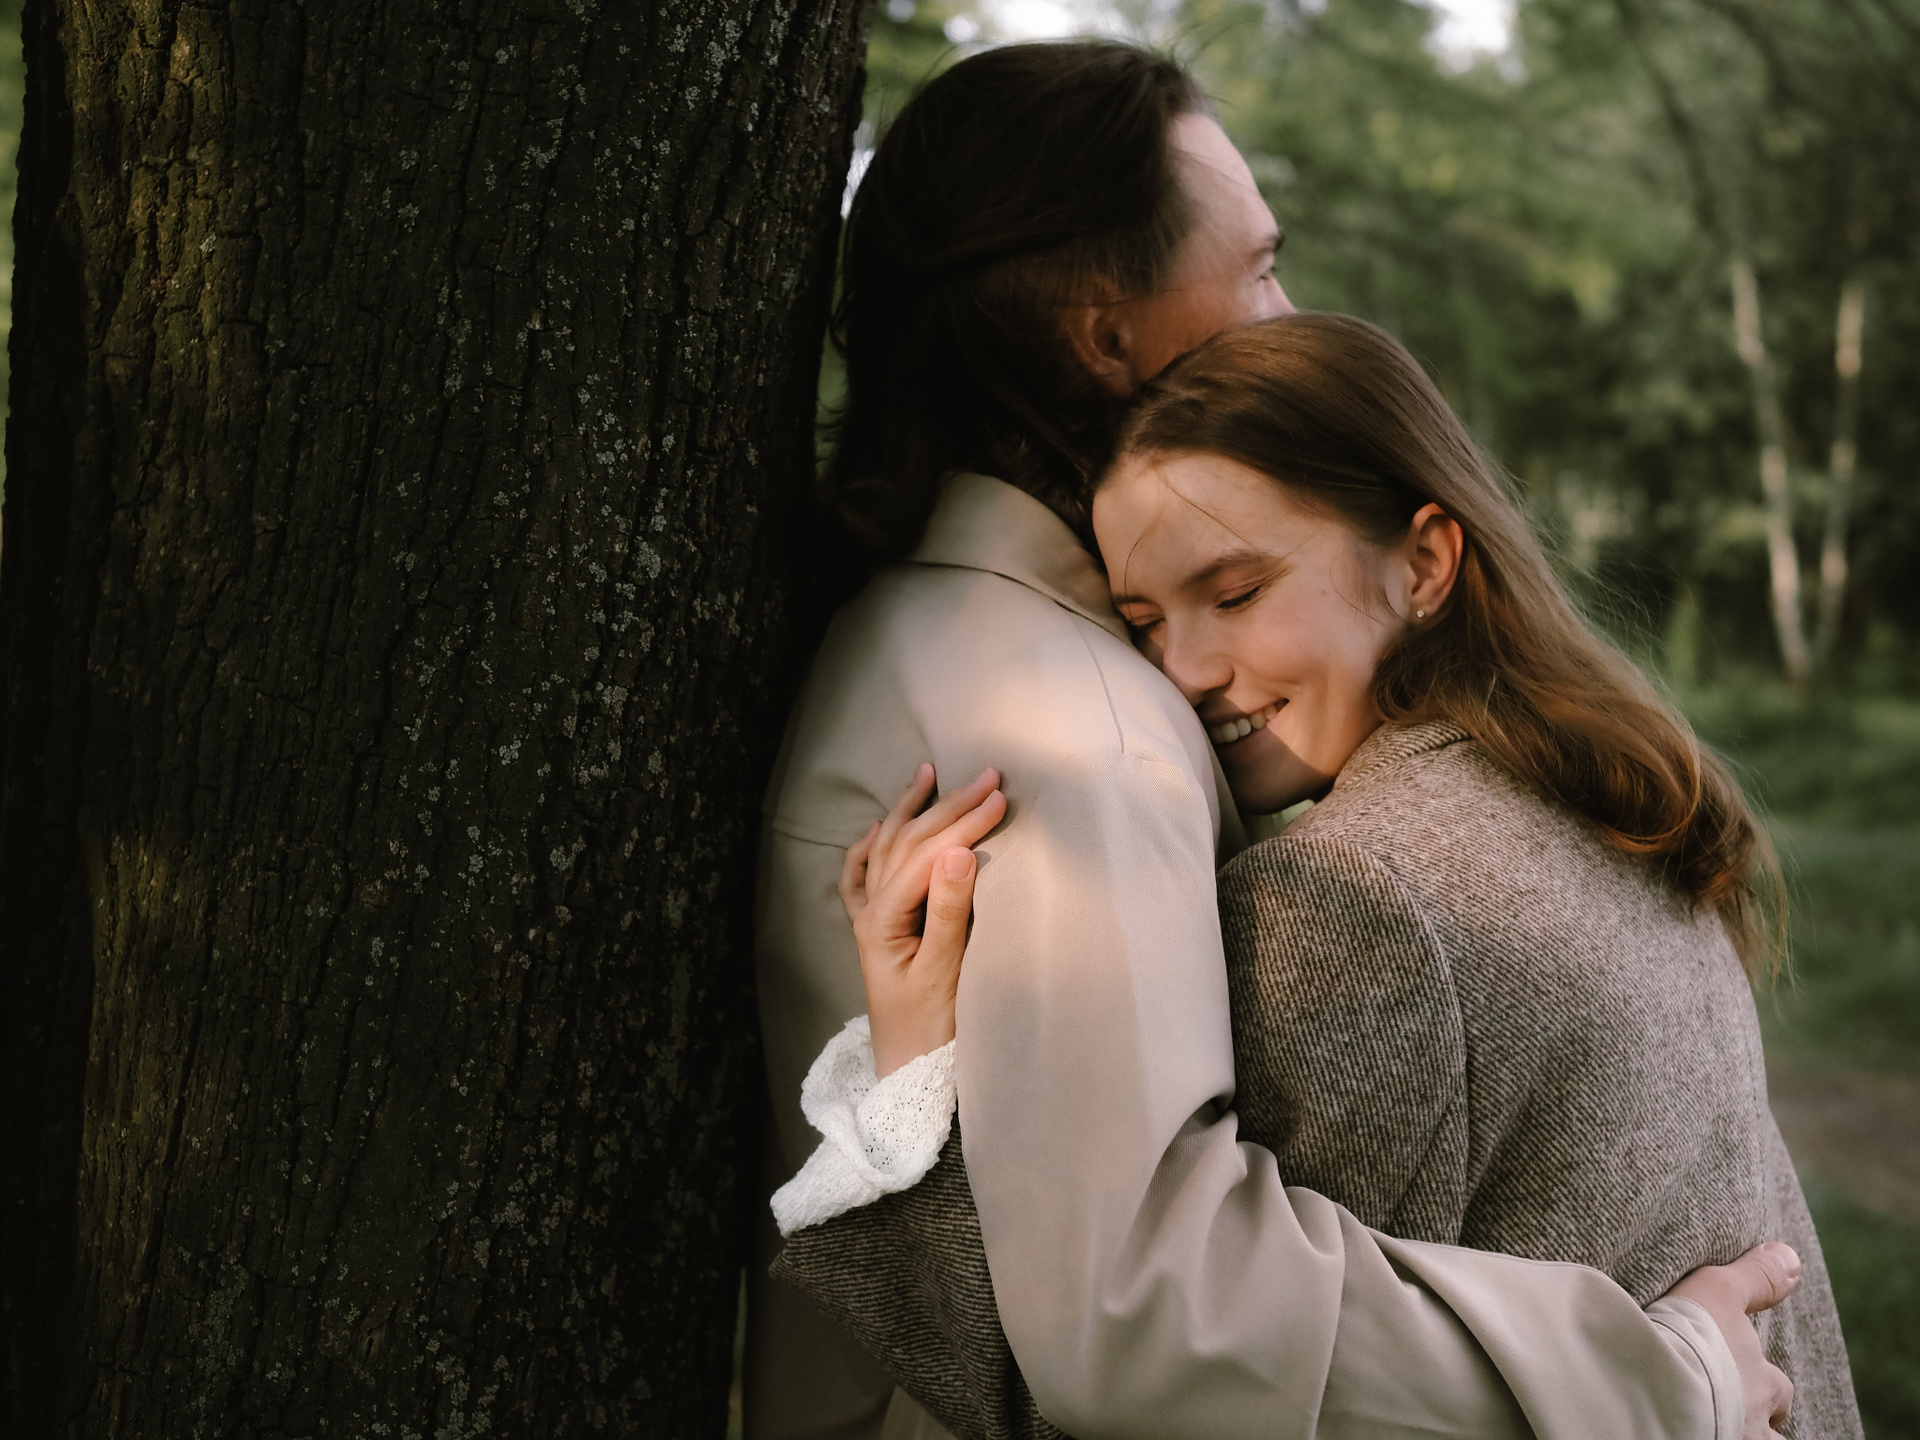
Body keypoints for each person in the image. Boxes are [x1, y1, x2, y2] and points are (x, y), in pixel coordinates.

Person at [747, 39, 1800, 1440]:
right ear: (1103, 335)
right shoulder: (1079, 722)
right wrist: (1661, 1380)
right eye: (1259, 267)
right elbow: (1147, 1318)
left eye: (1233, 593)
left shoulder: (911, 629)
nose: (1288, 311)